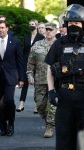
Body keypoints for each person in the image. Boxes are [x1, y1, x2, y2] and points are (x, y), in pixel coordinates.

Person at [45, 4, 84, 149]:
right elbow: (50, 67)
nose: (74, 26)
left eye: (77, 23)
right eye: (71, 23)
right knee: (64, 139)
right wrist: (51, 91)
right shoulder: (59, 43)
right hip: (65, 96)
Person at [0, 20, 24, 136]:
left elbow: (20, 62)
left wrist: (22, 78)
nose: (0, 30)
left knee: (8, 100)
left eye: (2, 27)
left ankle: (11, 124)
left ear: (7, 29)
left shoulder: (15, 42)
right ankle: (2, 127)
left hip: (11, 76)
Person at [27, 22, 57, 138]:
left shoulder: (59, 45)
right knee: (40, 105)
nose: (49, 31)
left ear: (55, 31)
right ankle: (48, 120)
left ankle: (49, 126)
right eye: (47, 29)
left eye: (51, 30)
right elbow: (30, 62)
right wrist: (30, 75)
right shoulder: (37, 45)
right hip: (40, 80)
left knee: (52, 105)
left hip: (55, 81)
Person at [16, 19, 44, 113]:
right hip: (26, 62)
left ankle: (36, 106)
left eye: (32, 24)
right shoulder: (26, 36)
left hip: (36, 63)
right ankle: (21, 104)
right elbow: (24, 50)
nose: (31, 26)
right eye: (30, 24)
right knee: (24, 83)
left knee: (36, 84)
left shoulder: (41, 37)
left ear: (36, 26)